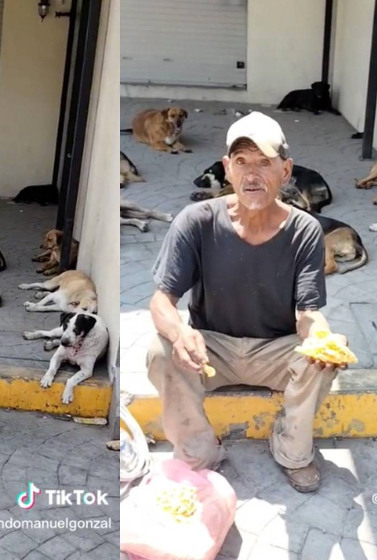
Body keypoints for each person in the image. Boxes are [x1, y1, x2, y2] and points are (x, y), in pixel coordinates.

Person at [147, 112, 346, 493]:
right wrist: (179, 333)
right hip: (211, 350)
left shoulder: (304, 229)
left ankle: (292, 451)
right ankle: (199, 455)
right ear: (227, 169)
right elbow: (162, 300)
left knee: (322, 359)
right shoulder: (197, 221)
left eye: (264, 163)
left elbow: (307, 313)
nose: (251, 175)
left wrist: (323, 337)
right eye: (241, 163)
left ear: (285, 171)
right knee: (159, 349)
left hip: (275, 349)